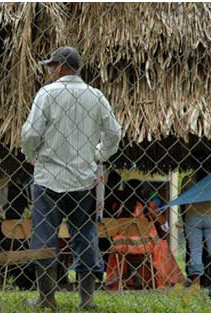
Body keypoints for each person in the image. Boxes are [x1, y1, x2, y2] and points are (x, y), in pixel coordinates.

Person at [21, 47, 121, 310]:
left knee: (44, 236)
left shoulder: (47, 94)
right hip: (83, 179)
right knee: (85, 236)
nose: (49, 71)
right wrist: (99, 154)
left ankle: (46, 298)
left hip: (48, 179)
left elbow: (31, 133)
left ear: (62, 66)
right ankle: (86, 298)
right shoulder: (95, 96)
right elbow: (114, 133)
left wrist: (31, 155)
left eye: (51, 65)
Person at [105, 180, 184, 290]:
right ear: (141, 191)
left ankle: (126, 277)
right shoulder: (146, 206)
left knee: (117, 249)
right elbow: (163, 221)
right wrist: (152, 212)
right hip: (145, 245)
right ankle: (165, 278)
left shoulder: (117, 207)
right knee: (162, 244)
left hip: (122, 246)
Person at [181, 164, 211, 288]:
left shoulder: (187, 179)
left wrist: (185, 218)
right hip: (210, 216)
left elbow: (183, 201)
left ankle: (196, 283)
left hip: (192, 217)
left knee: (195, 251)